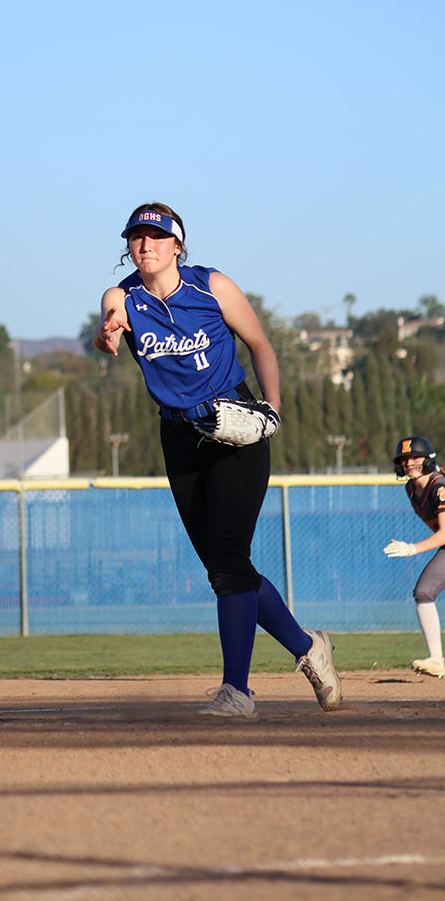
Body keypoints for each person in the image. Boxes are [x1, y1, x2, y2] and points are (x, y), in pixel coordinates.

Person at [93, 201, 342, 717]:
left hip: (236, 425)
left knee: (228, 562)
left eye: (157, 237)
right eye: (137, 237)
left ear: (178, 246)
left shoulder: (212, 286)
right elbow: (107, 322)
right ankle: (309, 648)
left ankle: (238, 692)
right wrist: (108, 333)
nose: (146, 245)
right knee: (225, 566)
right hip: (178, 434)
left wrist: (271, 408)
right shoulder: (125, 297)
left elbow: (259, 344)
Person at [384, 436, 445, 678]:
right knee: (423, 592)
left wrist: (411, 548)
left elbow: (444, 534)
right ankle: (436, 659)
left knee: (424, 592)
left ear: (428, 460)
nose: (410, 463)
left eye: (415, 457)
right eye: (405, 459)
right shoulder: (411, 488)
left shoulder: (439, 486)